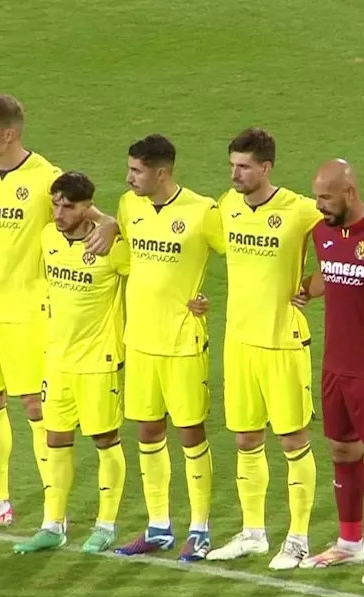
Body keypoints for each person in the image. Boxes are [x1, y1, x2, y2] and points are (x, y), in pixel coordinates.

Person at [0, 94, 116, 534]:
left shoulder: (46, 178)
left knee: (37, 409)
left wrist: (112, 227)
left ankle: (51, 513)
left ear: (9, 134)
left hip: (31, 314)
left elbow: (99, 219)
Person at [207, 128, 322, 569]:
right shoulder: (228, 205)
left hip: (282, 342)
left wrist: (313, 288)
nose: (235, 174)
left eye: (244, 167)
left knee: (293, 439)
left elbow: (348, 244)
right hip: (238, 341)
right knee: (246, 438)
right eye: (232, 165)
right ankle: (253, 532)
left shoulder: (298, 210)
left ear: (266, 168)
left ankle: (298, 539)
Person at [292, 159, 364, 586]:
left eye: (325, 196)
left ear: (349, 193)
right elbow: (332, 274)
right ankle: (350, 542)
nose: (318, 204)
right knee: (342, 452)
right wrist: (306, 289)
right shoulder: (323, 233)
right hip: (334, 365)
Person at [111, 135, 224, 562]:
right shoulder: (128, 205)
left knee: (190, 432)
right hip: (139, 341)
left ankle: (200, 528)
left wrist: (207, 301)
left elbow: (241, 253)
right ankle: (158, 526)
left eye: (136, 171)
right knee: (147, 431)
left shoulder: (202, 211)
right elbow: (119, 235)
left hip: (182, 343)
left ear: (162, 173)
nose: (129, 178)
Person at [12, 172, 131, 554]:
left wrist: (110, 224)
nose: (60, 213)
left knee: (104, 441)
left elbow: (148, 283)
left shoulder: (113, 247)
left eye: (70, 206)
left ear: (87, 206)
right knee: (56, 439)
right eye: (56, 205)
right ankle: (52, 525)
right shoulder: (49, 238)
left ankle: (106, 525)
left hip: (99, 360)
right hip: (57, 360)